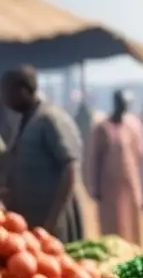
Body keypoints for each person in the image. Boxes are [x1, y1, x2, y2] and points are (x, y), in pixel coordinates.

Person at [0, 66, 85, 242]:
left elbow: (70, 167)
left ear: (23, 91)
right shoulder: (25, 121)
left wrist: (52, 221)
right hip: (32, 222)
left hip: (52, 224)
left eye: (6, 92)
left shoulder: (49, 119)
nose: (4, 99)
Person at [87, 90, 143, 244]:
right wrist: (94, 187)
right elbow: (95, 158)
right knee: (112, 226)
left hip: (130, 184)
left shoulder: (133, 125)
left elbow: (140, 155)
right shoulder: (102, 128)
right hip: (109, 187)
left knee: (132, 224)